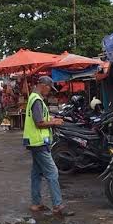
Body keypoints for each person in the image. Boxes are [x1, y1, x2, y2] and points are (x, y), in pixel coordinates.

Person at [24, 76, 71, 216]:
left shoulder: (34, 98)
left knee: (36, 173)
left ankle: (36, 203)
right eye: (50, 88)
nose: (49, 91)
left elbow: (40, 119)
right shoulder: (37, 100)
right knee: (52, 172)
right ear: (44, 85)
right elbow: (39, 123)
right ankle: (58, 206)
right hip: (39, 142)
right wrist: (54, 123)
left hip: (34, 142)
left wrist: (50, 119)